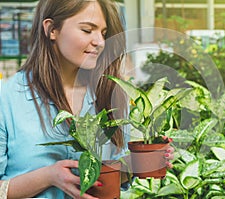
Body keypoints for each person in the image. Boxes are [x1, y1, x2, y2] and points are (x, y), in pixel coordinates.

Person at [0, 0, 174, 198]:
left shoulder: (109, 93)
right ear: (51, 30)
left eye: (103, 33)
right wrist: (49, 176)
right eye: (87, 30)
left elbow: (110, 175)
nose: (100, 42)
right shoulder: (7, 99)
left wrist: (139, 163)